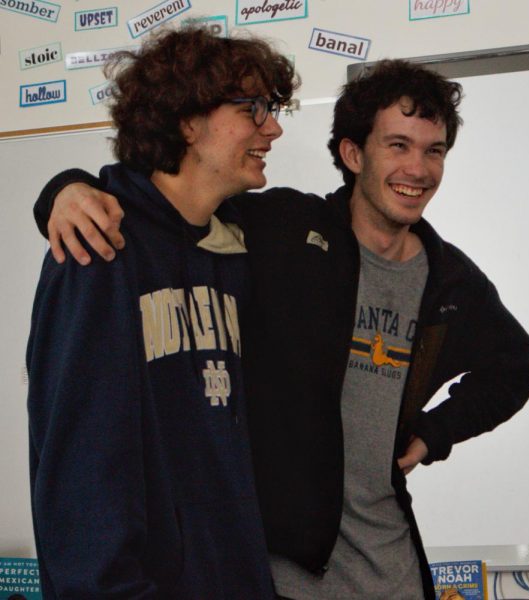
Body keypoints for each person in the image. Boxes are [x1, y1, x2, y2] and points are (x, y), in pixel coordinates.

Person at [33, 59, 529, 599]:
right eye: (397, 146)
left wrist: (433, 434)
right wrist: (63, 191)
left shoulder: (450, 278)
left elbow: (517, 367)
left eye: (433, 150)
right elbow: (171, 198)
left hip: (395, 573)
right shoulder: (282, 230)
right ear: (353, 154)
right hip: (284, 578)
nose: (417, 169)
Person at [26, 27, 298, 598]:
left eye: (271, 110)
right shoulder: (99, 246)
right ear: (186, 120)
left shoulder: (236, 249)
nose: (271, 128)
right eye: (253, 109)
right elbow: (80, 466)